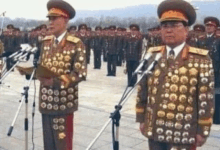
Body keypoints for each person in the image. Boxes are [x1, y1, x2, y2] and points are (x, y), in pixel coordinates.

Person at [136, 0, 215, 150]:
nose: (168, 30)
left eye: (174, 25)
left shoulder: (200, 59)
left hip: (183, 132)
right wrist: (141, 118)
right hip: (155, 129)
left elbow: (206, 99)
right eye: (165, 26)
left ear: (186, 29)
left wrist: (203, 131)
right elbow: (142, 90)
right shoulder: (152, 55)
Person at [20, 0, 87, 149]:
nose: (50, 22)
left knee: (63, 144)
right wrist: (33, 73)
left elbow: (80, 73)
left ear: (65, 20)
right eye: (49, 18)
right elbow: (43, 66)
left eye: (54, 18)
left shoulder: (76, 44)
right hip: (46, 101)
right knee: (48, 144)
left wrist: (56, 82)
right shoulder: (46, 42)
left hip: (63, 103)